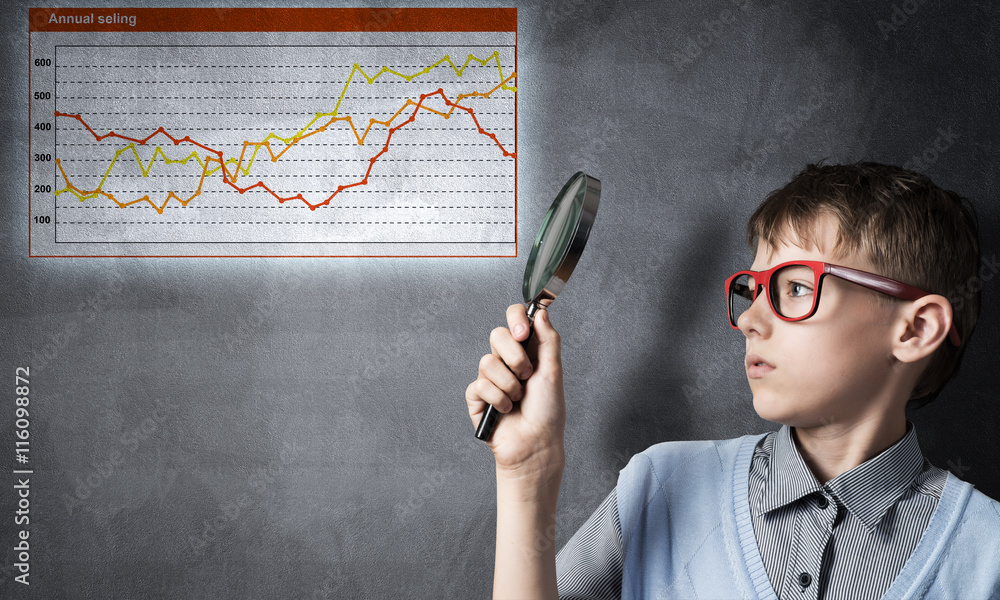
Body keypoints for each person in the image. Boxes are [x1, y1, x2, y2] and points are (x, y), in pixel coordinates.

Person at [465, 162, 1000, 600]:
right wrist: (526, 477)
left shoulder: (987, 551)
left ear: (916, 329)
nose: (748, 320)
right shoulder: (660, 483)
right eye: (752, 290)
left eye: (793, 288)